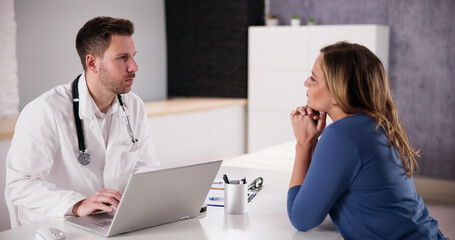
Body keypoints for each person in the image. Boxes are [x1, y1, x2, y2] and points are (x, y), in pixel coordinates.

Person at [5, 16, 160, 226]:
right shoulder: (45, 111)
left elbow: (146, 168)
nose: (134, 66)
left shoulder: (133, 105)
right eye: (122, 58)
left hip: (112, 224)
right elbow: (20, 185)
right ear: (92, 63)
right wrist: (78, 204)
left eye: (133, 56)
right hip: (56, 227)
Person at [287, 42, 446, 239]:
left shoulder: (342, 135)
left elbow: (301, 218)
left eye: (313, 78)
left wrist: (304, 143)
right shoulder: (374, 125)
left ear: (337, 92)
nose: (306, 83)